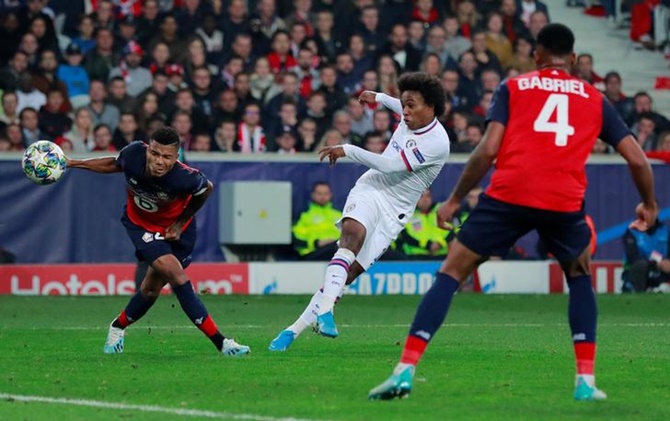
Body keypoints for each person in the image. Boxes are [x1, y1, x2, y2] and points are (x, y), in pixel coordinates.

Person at [368, 24, 658, 402]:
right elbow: (637, 158)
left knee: (452, 271)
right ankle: (585, 382)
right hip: (563, 201)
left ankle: (404, 371)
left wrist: (455, 199)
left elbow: (488, 150)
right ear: (572, 60)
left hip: (509, 195)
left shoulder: (514, 87)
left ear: (536, 55)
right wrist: (649, 204)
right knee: (580, 276)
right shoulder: (595, 98)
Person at [268, 72, 449, 351]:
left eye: (411, 105)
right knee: (352, 235)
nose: (405, 111)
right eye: (404, 104)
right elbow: (394, 104)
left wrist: (349, 150)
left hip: (395, 212)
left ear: (431, 108)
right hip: (370, 190)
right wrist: (376, 97)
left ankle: (293, 330)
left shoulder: (437, 142)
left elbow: (389, 166)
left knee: (348, 275)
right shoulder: (410, 111)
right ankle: (326, 313)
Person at [65, 127, 250, 357]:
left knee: (151, 290)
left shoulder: (186, 177)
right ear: (148, 148)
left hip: (178, 231)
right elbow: (114, 164)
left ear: (176, 157)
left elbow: (207, 189)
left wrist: (180, 222)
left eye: (167, 157)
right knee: (178, 276)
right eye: (155, 153)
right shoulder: (133, 153)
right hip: (141, 226)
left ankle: (117, 327)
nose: (159, 161)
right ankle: (222, 343)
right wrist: (73, 163)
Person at [292, 182, 343, 261]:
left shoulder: (339, 215)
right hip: (313, 254)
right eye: (319, 193)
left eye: (326, 193)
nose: (323, 196)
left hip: (337, 252)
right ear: (313, 195)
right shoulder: (304, 215)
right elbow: (294, 240)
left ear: (331, 195)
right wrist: (316, 243)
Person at [395, 189, 450, 260]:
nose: (425, 200)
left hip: (440, 255)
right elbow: (405, 236)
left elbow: (451, 230)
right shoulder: (407, 215)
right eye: (421, 196)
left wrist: (440, 243)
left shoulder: (440, 212)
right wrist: (428, 245)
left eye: (428, 196)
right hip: (416, 257)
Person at [621, 219, 670, 293]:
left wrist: (667, 263)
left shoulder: (665, 230)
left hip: (662, 271)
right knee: (641, 265)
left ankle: (663, 287)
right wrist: (656, 264)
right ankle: (635, 290)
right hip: (641, 270)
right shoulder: (631, 231)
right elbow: (632, 256)